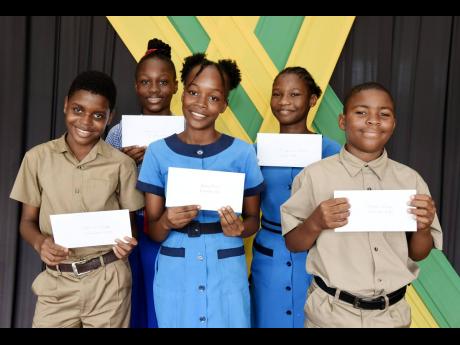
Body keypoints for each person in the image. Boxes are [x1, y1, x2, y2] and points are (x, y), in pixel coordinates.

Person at [280, 82, 442, 328]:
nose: (373, 120)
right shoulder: (314, 176)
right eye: (361, 112)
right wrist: (316, 222)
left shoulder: (411, 180)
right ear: (342, 121)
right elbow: (293, 242)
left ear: (393, 124)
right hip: (331, 315)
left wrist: (422, 227)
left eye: (384, 114)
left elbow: (418, 252)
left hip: (392, 316)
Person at [136, 52, 264, 328]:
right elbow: (154, 231)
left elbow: (254, 219)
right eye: (194, 92)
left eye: (213, 97)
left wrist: (240, 229)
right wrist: (168, 220)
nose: (201, 104)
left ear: (225, 105)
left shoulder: (242, 153)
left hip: (226, 260)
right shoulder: (158, 153)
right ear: (182, 94)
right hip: (175, 263)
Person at [9, 70, 144, 328]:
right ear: (65, 105)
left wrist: (128, 243)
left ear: (109, 117)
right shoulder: (37, 158)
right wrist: (40, 243)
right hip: (58, 282)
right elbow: (26, 222)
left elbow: (130, 226)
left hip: (108, 282)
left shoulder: (122, 164)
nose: (85, 121)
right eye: (78, 109)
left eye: (97, 116)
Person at [250, 67, 341, 328]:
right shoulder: (255, 152)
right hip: (270, 254)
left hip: (319, 254)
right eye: (277, 94)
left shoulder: (333, 152)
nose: (284, 101)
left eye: (294, 94)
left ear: (312, 100)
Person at [106, 38, 178, 328]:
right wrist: (122, 161)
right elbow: (102, 183)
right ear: (136, 86)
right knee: (131, 298)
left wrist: (165, 159)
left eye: (163, 82)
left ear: (175, 86)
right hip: (129, 228)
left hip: (172, 225)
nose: (154, 90)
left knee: (165, 300)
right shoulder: (119, 134)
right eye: (146, 82)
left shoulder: (188, 130)